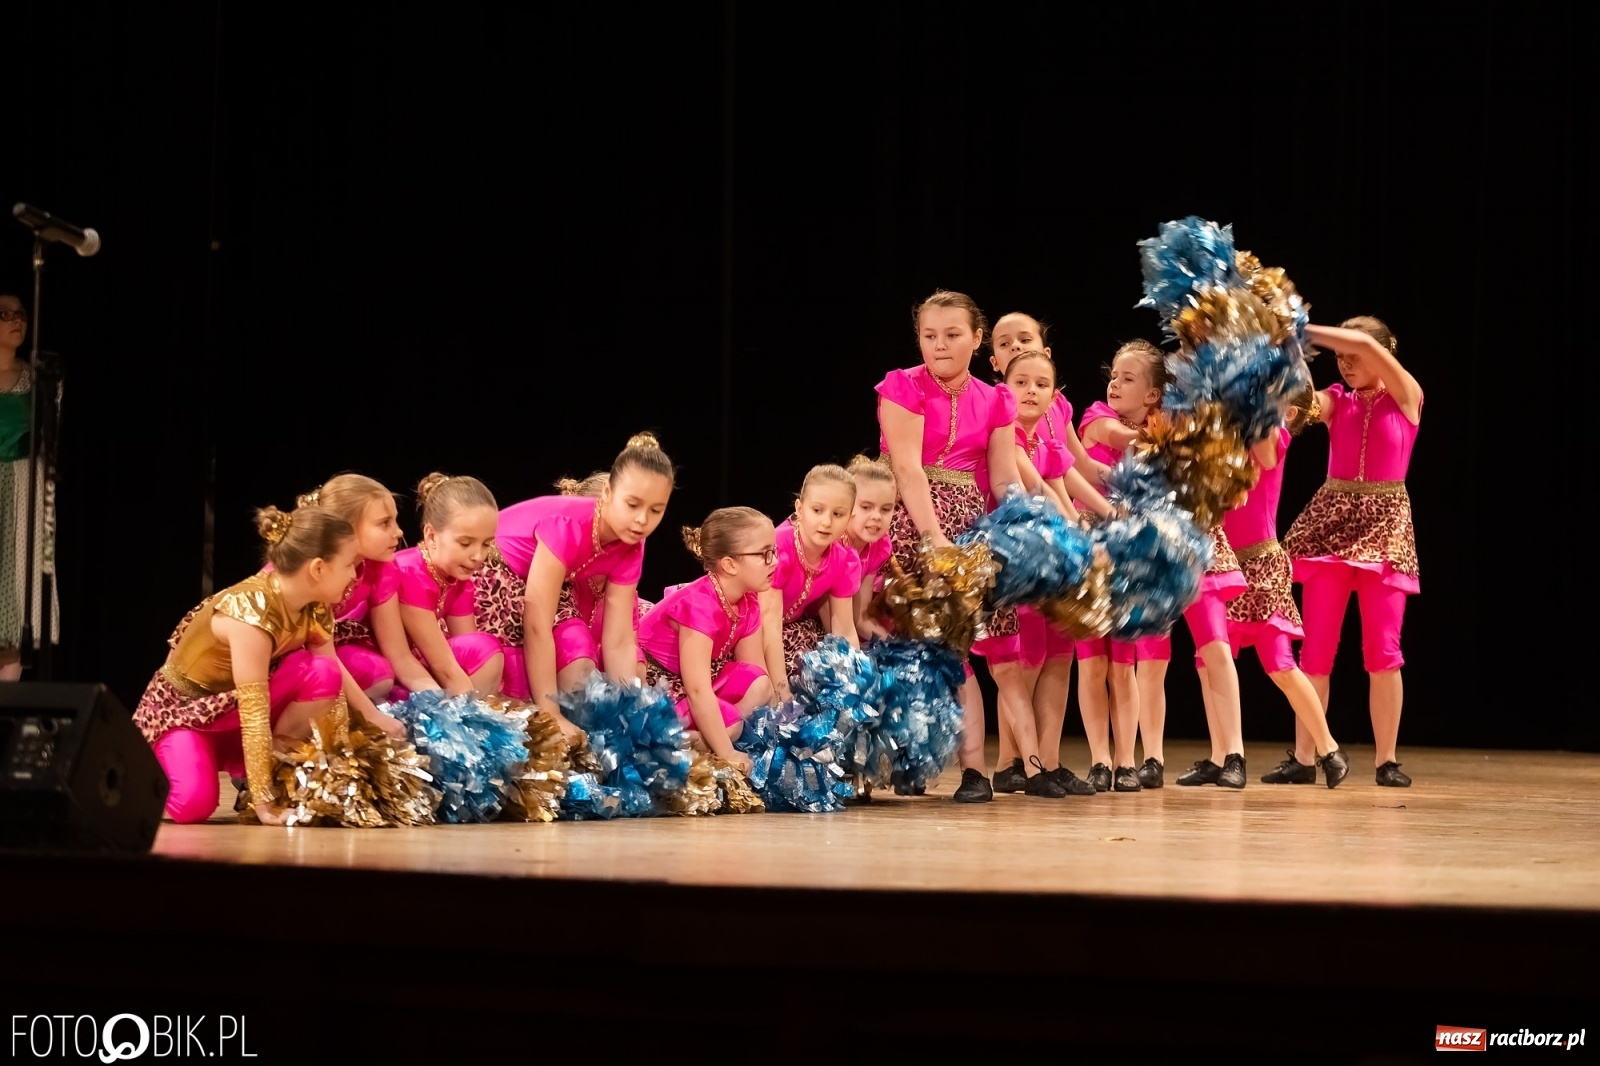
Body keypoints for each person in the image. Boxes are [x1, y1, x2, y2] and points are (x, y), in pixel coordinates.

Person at [132, 504, 406, 825]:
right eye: (348, 565)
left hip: (235, 709)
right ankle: (147, 776)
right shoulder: (251, 614)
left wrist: (345, 762)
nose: (353, 575)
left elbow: (334, 691)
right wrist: (264, 806)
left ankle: (272, 772)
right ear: (318, 568)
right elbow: (254, 715)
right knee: (193, 805)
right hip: (187, 715)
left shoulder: (316, 608)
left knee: (323, 672)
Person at [876, 289, 1026, 803]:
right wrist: (931, 536)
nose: (939, 346)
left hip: (969, 523)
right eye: (929, 336)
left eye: (952, 335)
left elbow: (1004, 478)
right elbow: (907, 468)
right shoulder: (902, 386)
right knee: (907, 648)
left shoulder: (997, 398)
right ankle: (910, 761)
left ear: (977, 338)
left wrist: (1022, 522)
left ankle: (974, 772)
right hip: (908, 521)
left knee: (961, 651)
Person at [1284, 317, 1422, 786]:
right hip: (1332, 529)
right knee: (1315, 652)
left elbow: (1363, 340)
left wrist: (1299, 325)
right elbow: (1302, 407)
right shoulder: (1336, 400)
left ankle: (1388, 761)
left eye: (1353, 356)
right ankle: (1305, 758)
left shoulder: (1406, 395)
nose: (1345, 364)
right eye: (1339, 358)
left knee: (1382, 652)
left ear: (1383, 355)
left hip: (1384, 531)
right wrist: (1288, 352)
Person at [637, 507, 778, 775]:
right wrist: (726, 751)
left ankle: (704, 735)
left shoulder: (747, 601)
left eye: (774, 552)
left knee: (759, 684)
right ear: (729, 564)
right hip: (660, 687)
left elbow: (754, 674)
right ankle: (689, 740)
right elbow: (697, 689)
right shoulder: (700, 604)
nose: (774, 562)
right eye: (764, 554)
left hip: (697, 683)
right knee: (732, 725)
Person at [0, 290, 58, 680]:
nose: (17, 320)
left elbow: (49, 442)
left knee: (14, 586)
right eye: (5, 314)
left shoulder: (36, 379)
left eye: (20, 313)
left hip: (21, 487)